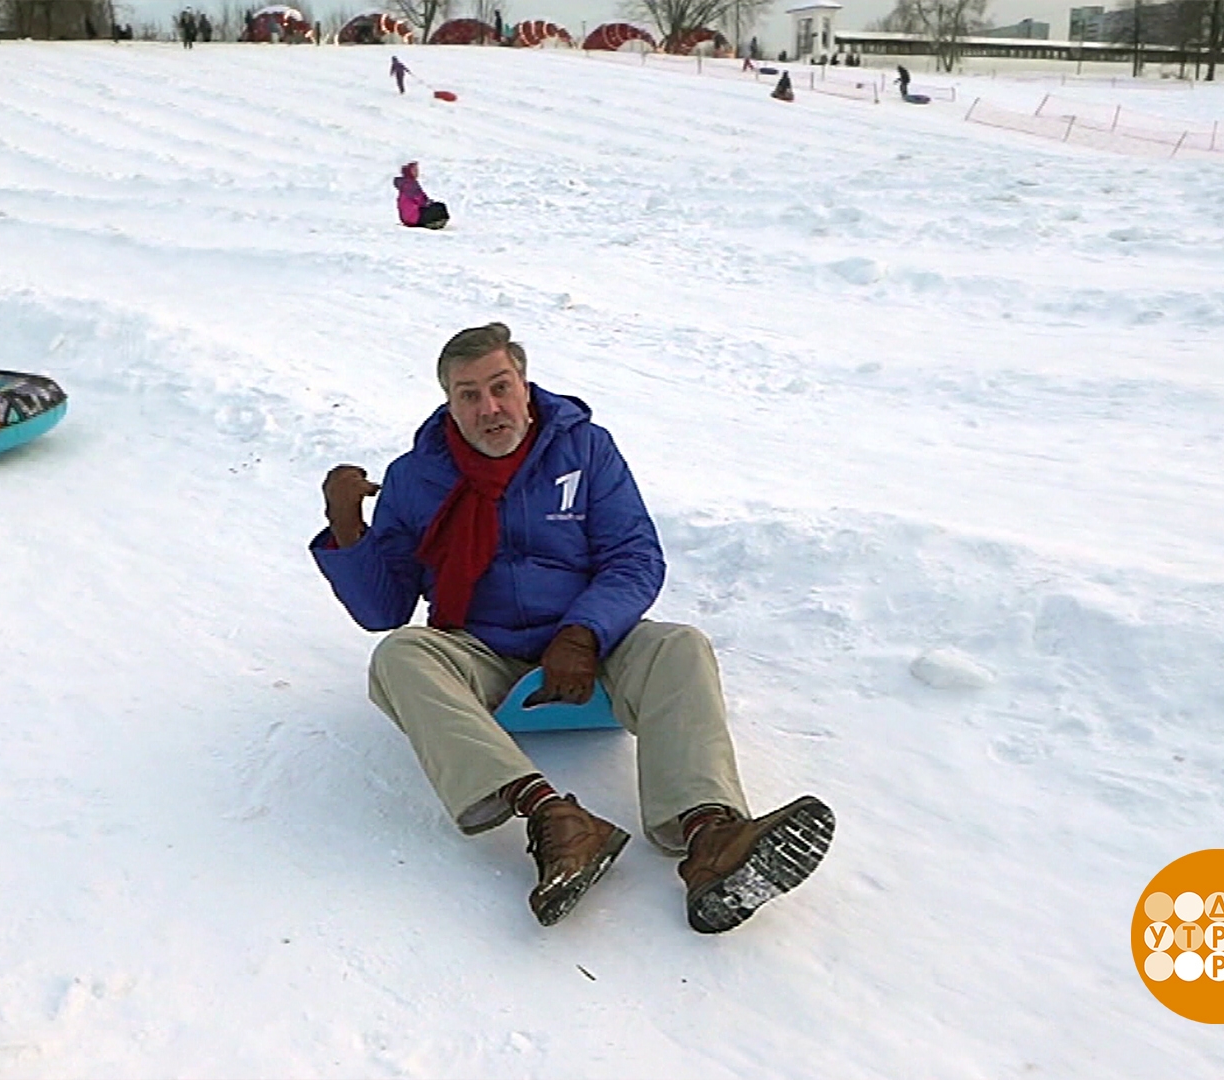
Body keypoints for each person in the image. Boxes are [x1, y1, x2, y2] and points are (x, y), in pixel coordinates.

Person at [311, 324, 836, 931]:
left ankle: (711, 838)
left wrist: (583, 632)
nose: (490, 408)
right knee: (400, 657)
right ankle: (557, 821)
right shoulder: (414, 478)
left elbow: (635, 555)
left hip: (592, 646)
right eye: (469, 395)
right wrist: (348, 528)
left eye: (500, 387)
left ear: (525, 387)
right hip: (482, 646)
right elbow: (385, 611)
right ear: (448, 405)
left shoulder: (585, 449)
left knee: (679, 646)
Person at [393, 162, 448, 230]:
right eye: (414, 170)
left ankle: (435, 222)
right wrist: (428, 203)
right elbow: (420, 200)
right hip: (413, 216)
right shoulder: (409, 185)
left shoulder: (409, 183)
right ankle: (433, 223)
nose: (417, 172)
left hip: (409, 216)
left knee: (438, 206)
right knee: (439, 207)